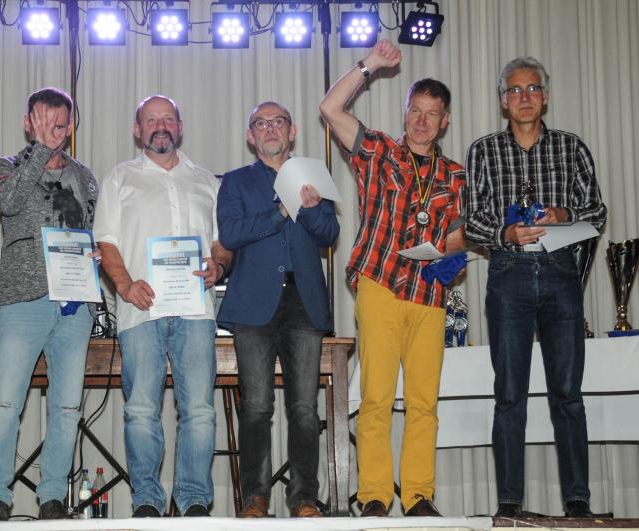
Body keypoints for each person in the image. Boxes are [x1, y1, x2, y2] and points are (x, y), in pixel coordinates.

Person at [319, 40, 466, 517]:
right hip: (380, 282)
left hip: (428, 291)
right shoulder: (379, 151)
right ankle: (375, 496)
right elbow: (330, 108)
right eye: (415, 110)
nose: (422, 121)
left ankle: (419, 494)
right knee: (377, 397)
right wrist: (369, 65)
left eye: (432, 114)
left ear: (445, 120)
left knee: (424, 401)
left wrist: (453, 256)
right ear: (406, 112)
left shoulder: (455, 175)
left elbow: (457, 236)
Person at [465, 57, 607, 519]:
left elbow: (597, 212)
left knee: (568, 393)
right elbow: (473, 220)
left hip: (561, 272)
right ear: (502, 100)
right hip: (509, 274)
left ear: (545, 96)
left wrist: (564, 214)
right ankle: (510, 502)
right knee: (509, 395)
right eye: (514, 90)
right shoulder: (484, 150)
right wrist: (506, 233)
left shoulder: (571, 146)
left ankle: (577, 501)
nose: (524, 97)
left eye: (532, 89)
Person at [93, 95, 231, 518]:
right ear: (138, 130)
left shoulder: (207, 181)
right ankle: (147, 501)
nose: (160, 126)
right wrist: (124, 284)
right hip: (140, 310)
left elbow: (221, 243)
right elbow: (106, 241)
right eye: (151, 120)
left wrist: (219, 266)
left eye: (168, 118)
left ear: (180, 126)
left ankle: (194, 500)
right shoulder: (120, 178)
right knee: (140, 410)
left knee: (200, 411)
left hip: (196, 312)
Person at [0, 88, 99, 521]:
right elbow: (7, 203)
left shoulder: (85, 176)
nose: (53, 130)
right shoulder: (7, 166)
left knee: (67, 406)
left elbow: (89, 229)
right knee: (6, 402)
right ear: (28, 123)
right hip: (21, 299)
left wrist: (93, 254)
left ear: (71, 126)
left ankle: (52, 496)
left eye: (60, 124)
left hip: (75, 303)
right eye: (44, 122)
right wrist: (41, 151)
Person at [216, 102, 339, 518]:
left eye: (278, 122)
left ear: (293, 131)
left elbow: (330, 233)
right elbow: (230, 234)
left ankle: (304, 497)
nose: (270, 129)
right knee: (255, 406)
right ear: (250, 136)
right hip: (253, 304)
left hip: (304, 302)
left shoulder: (313, 177)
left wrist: (309, 208)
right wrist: (278, 213)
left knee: (304, 407)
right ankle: (255, 497)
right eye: (261, 123)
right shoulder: (235, 182)